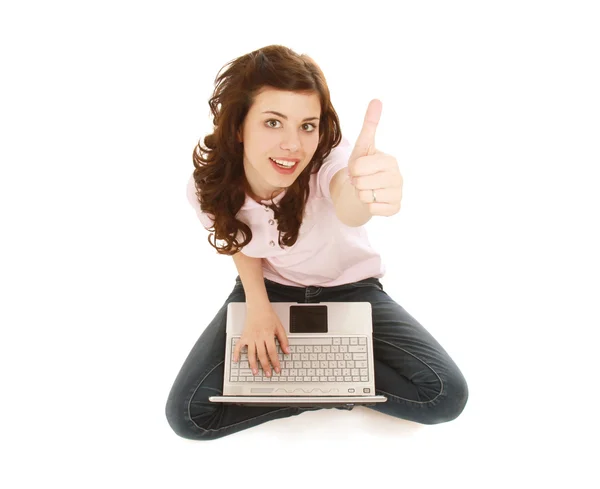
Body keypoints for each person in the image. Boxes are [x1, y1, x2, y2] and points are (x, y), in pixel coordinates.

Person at [165, 44, 468, 441]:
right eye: (273, 123)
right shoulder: (208, 186)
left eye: (307, 125)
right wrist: (258, 305)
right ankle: (329, 387)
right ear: (239, 126)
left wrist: (365, 192)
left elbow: (349, 201)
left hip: (352, 289)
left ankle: (332, 386)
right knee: (190, 417)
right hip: (271, 290)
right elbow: (238, 239)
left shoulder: (327, 161)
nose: (294, 145)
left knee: (444, 396)